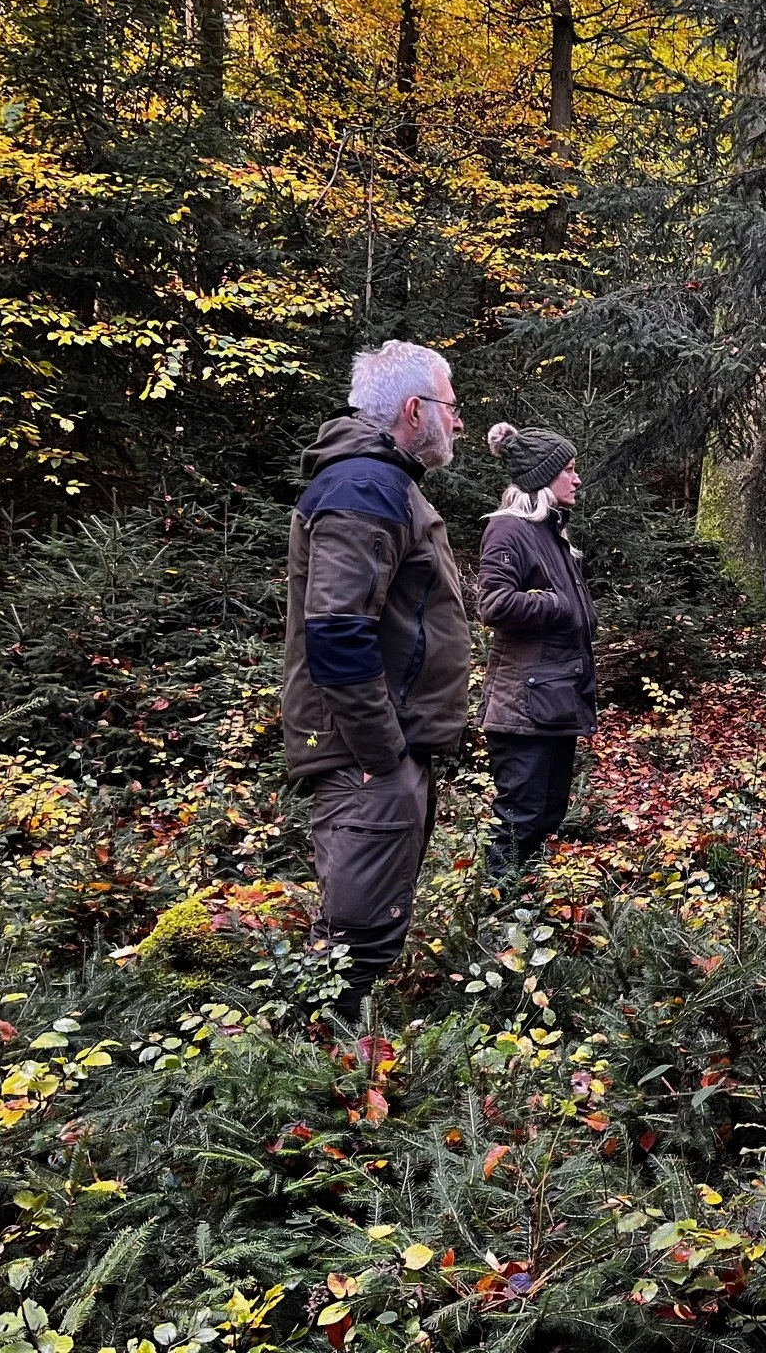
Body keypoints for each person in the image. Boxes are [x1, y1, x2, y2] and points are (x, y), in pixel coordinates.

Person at [282, 339, 470, 1019]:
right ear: (415, 408)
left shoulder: (383, 484)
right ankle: (308, 1089)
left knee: (369, 926)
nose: (459, 423)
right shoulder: (366, 487)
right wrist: (381, 754)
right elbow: (335, 630)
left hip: (387, 748)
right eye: (451, 407)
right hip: (370, 756)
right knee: (356, 937)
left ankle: (342, 1076)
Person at [477, 422, 598, 883]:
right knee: (521, 817)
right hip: (522, 707)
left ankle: (520, 905)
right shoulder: (508, 530)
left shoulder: (551, 534)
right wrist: (556, 603)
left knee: (546, 813)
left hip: (552, 700)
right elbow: (494, 603)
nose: (576, 479)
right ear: (541, 478)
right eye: (568, 470)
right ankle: (492, 907)